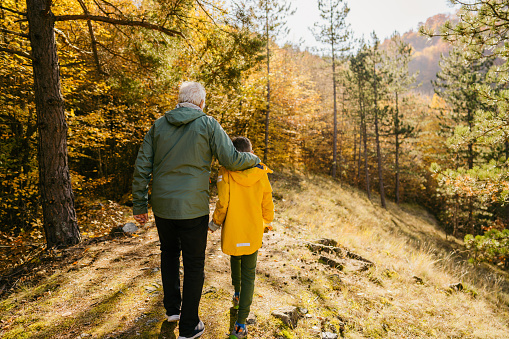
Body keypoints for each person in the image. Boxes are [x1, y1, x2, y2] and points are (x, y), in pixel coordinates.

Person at [132, 82, 260, 339]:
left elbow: (142, 166)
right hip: (193, 208)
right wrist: (254, 159)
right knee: (193, 264)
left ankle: (173, 310)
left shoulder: (158, 125)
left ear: (180, 100)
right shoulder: (208, 124)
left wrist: (139, 204)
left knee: (168, 253)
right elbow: (232, 159)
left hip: (163, 206)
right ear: (201, 102)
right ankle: (189, 327)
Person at [209, 136, 274, 339]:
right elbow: (267, 198)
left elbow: (223, 202)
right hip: (253, 229)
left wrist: (215, 222)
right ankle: (240, 324)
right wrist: (267, 221)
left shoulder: (226, 171)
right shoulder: (260, 171)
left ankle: (237, 294)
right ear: (250, 152)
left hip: (234, 227)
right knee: (249, 274)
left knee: (235, 256)